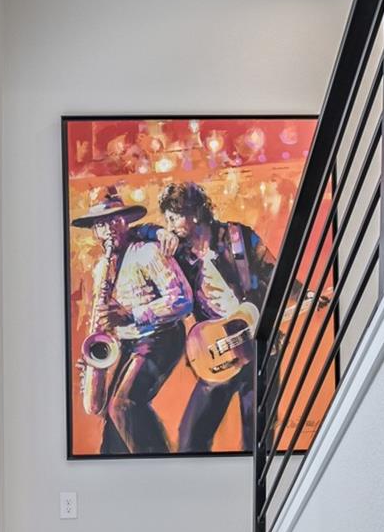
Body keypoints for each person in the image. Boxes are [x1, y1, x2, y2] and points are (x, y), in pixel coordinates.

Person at [150, 182, 278, 453]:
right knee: (190, 439)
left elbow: (274, 274)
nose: (170, 223)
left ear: (194, 212)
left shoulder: (237, 237)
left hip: (257, 349)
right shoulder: (179, 254)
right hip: (217, 353)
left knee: (256, 438)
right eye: (167, 218)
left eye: (174, 216)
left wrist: (305, 294)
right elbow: (136, 235)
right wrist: (157, 231)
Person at [71, 186, 192, 455]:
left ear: (126, 221)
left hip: (161, 335)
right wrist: (95, 360)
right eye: (101, 224)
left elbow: (182, 301)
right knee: (112, 428)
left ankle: (161, 466)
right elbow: (103, 321)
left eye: (114, 219)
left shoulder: (148, 252)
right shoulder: (100, 267)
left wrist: (131, 313)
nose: (109, 228)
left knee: (123, 404)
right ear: (95, 231)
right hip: (127, 341)